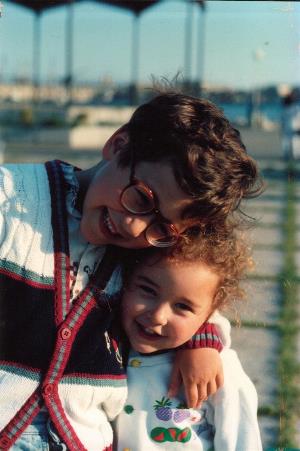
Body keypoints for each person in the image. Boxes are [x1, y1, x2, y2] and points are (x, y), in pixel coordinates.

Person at [0, 92, 262, 450]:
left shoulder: (150, 251)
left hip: (86, 439)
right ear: (118, 143)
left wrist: (202, 338)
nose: (135, 228)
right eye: (141, 198)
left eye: (163, 227)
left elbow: (197, 289)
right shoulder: (10, 200)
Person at [115, 232, 262, 451]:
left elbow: (242, 441)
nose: (158, 316)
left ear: (210, 313)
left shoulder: (223, 370)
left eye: (183, 306)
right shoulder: (109, 343)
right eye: (147, 290)